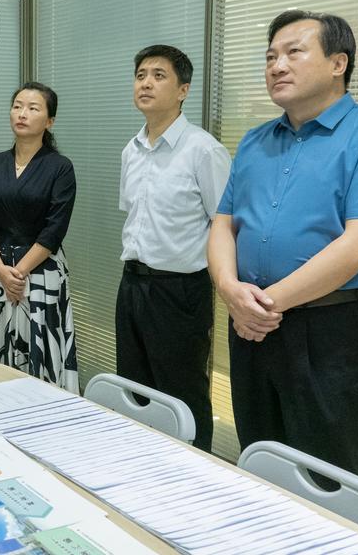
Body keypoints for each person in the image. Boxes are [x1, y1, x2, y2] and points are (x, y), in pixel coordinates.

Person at [208, 10, 358, 479]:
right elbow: (223, 224)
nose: (276, 66)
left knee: (329, 473)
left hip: (329, 330)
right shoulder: (256, 141)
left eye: (293, 52)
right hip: (251, 326)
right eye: (270, 57)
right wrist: (228, 289)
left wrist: (263, 305)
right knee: (259, 459)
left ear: (338, 63)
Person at [114, 46, 230, 452]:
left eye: (158, 76)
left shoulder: (204, 150)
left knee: (183, 393)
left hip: (181, 290)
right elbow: (135, 216)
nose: (145, 82)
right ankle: (141, 471)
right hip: (133, 283)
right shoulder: (131, 150)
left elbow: (225, 224)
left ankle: (197, 479)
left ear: (183, 90)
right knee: (134, 389)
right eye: (140, 74)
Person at [0, 82, 78, 392]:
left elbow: (55, 228)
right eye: (18, 106)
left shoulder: (60, 167)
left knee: (41, 357)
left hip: (41, 274)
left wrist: (18, 273)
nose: (22, 113)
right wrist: (1, 270)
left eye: (33, 108)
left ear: (49, 121)